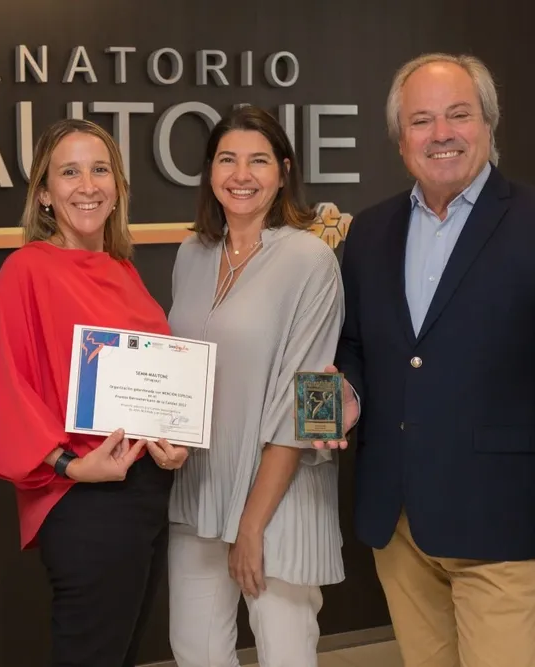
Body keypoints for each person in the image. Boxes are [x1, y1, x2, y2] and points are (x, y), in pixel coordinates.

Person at [323, 53, 535, 667]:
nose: (441, 134)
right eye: (421, 120)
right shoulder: (370, 231)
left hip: (503, 526)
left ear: (488, 123)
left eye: (458, 115)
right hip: (399, 524)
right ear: (400, 139)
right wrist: (346, 393)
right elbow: (355, 346)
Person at [0, 118, 189, 667]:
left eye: (99, 170)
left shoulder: (123, 270)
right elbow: (2, 387)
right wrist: (70, 465)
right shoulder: (27, 269)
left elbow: (155, 384)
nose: (87, 186)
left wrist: (173, 440)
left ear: (118, 187)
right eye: (69, 173)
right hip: (83, 497)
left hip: (145, 489)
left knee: (121, 653)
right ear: (44, 193)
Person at [166, 105, 346, 667]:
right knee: (195, 652)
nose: (241, 175)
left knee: (284, 654)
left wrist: (252, 524)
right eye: (227, 159)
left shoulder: (311, 259)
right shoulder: (192, 254)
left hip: (279, 497)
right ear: (210, 171)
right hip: (199, 489)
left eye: (258, 161)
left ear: (283, 171)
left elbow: (307, 401)